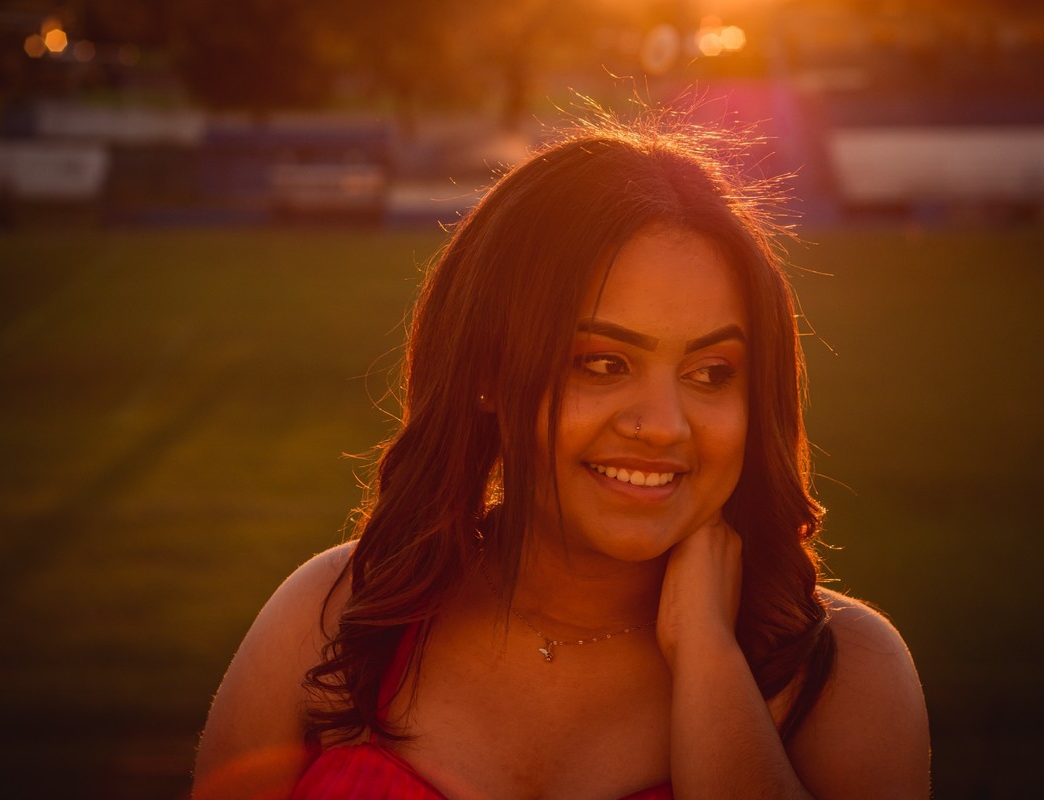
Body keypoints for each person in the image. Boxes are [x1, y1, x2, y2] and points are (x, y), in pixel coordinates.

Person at [192, 113, 930, 800]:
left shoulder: (844, 673)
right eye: (602, 363)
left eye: (711, 374)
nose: (664, 427)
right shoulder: (338, 616)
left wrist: (708, 656)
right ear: (486, 369)